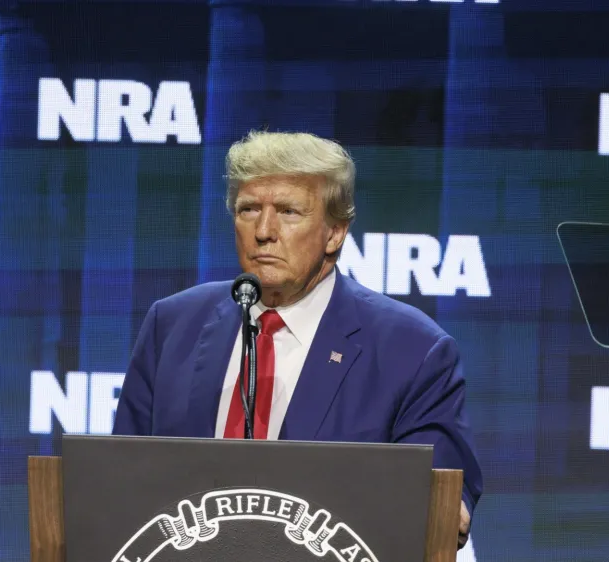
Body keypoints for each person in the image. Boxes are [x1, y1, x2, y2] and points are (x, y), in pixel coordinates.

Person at [112, 130, 482, 548]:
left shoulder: (413, 351)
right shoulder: (173, 325)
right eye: (248, 209)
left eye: (288, 211)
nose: (264, 231)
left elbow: (443, 510)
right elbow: (119, 484)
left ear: (335, 233)